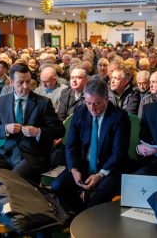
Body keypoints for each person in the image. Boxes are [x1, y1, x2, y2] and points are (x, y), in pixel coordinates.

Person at [0, 63, 65, 186]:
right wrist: (5, 128)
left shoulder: (43, 102)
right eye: (20, 82)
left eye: (28, 81)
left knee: (12, 179)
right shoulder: (2, 101)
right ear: (11, 83)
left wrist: (38, 131)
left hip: (33, 155)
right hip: (7, 153)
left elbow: (59, 130)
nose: (25, 86)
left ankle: (5, 202)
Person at [51, 79, 131, 215]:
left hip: (109, 167)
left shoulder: (119, 116)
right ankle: (80, 216)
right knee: (58, 186)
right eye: (88, 103)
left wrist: (100, 175)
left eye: (96, 104)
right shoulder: (80, 111)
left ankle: (88, 220)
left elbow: (118, 153)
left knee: (100, 196)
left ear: (106, 99)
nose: (92, 108)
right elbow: (71, 145)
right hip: (83, 164)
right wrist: (74, 169)